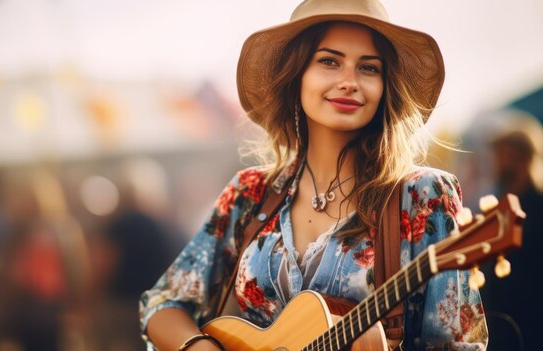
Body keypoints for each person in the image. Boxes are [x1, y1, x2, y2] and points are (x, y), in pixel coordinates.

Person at [140, 1, 488, 350]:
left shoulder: (424, 195)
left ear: (385, 87)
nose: (350, 82)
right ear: (296, 75)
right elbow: (163, 303)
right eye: (329, 61)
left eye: (368, 68)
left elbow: (459, 345)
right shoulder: (250, 192)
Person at [481, 111, 543, 351]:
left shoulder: (539, 208)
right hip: (501, 335)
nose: (496, 161)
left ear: (523, 159)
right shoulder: (496, 210)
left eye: (503, 154)